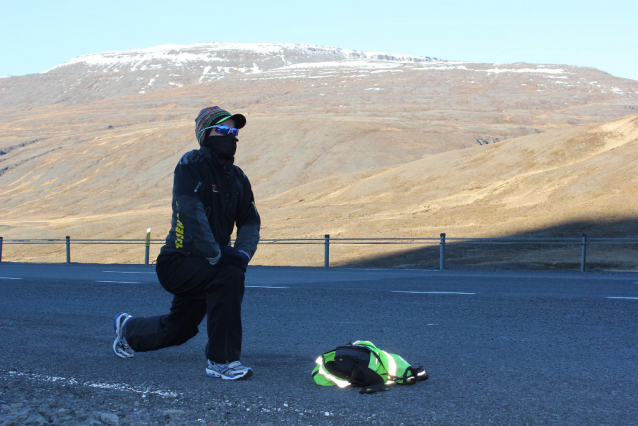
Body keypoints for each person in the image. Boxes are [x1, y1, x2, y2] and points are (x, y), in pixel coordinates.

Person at [112, 106, 261, 380]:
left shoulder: (238, 178)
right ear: (205, 135)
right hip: (179, 262)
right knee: (229, 276)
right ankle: (222, 361)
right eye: (223, 130)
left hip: (208, 265)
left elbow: (250, 221)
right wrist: (217, 255)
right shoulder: (191, 165)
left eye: (234, 131)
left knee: (179, 329)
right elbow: (190, 213)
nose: (231, 136)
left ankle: (128, 329)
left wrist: (242, 254)